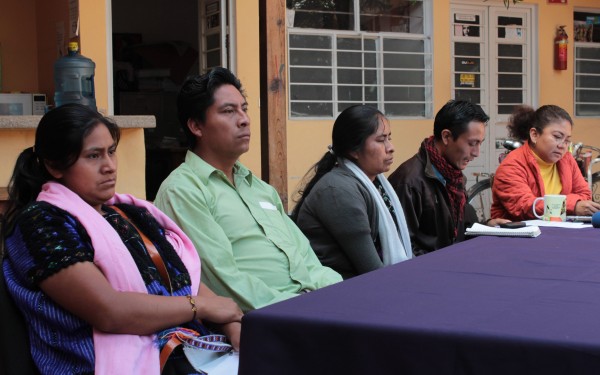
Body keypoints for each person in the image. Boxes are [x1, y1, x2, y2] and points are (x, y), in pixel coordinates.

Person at [0, 104, 243, 374]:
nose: (109, 167)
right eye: (93, 156)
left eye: (111, 152)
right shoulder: (43, 223)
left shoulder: (130, 213)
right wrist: (202, 308)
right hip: (110, 364)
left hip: (190, 351)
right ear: (54, 166)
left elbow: (184, 280)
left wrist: (231, 324)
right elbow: (109, 311)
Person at [154, 67, 342, 312]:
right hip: (268, 318)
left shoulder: (259, 188)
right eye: (228, 111)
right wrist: (300, 308)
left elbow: (304, 256)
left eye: (244, 108)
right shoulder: (183, 191)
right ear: (196, 126)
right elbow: (221, 279)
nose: (244, 119)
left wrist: (338, 292)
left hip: (312, 306)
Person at [291, 105, 412, 279]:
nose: (390, 147)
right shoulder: (338, 191)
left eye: (389, 138)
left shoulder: (376, 184)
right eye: (381, 140)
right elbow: (372, 271)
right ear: (354, 150)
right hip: (338, 292)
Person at [388, 100, 510, 256]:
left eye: (480, 144)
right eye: (472, 143)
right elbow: (402, 248)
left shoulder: (454, 176)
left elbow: (457, 233)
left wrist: (486, 227)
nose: (476, 153)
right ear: (446, 137)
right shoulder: (409, 182)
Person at [491, 104, 600, 221]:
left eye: (567, 140)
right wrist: (570, 205)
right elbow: (525, 206)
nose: (562, 146)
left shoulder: (566, 159)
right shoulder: (512, 165)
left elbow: (584, 194)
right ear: (534, 135)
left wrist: (571, 205)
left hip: (559, 229)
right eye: (557, 137)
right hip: (518, 234)